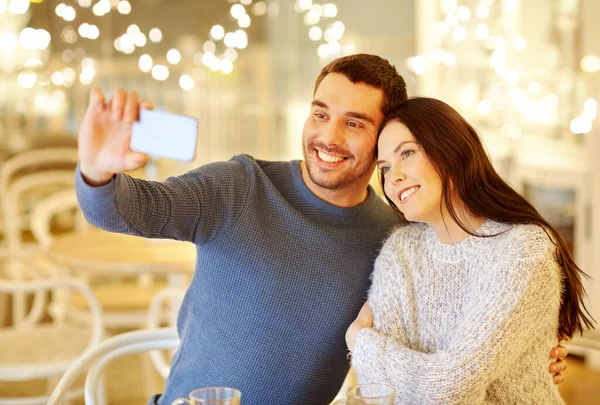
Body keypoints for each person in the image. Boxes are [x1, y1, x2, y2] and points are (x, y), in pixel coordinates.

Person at [74, 55, 567, 405]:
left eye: (354, 123)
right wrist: (98, 172)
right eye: (320, 113)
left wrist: (522, 357)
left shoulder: (393, 234)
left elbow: (447, 327)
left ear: (382, 139)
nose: (328, 137)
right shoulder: (240, 184)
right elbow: (129, 209)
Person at [345, 97, 594, 404]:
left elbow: (451, 389)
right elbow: (378, 391)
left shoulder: (522, 250)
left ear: (450, 150)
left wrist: (360, 341)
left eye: (407, 153)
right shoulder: (400, 251)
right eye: (384, 167)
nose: (392, 176)